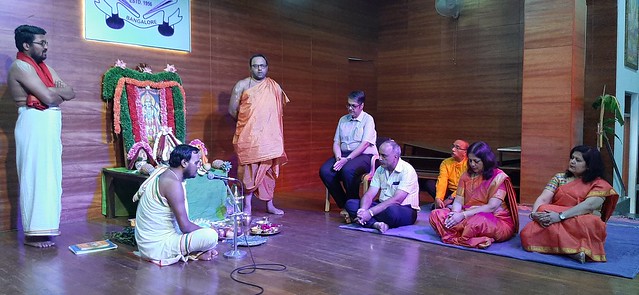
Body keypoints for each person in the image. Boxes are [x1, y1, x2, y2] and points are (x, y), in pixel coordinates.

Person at [7, 25, 75, 248]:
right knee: (34, 177)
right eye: (41, 43)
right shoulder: (20, 66)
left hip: (48, 126)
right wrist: (52, 92)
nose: (46, 46)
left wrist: (51, 93)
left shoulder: (45, 67)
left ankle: (44, 230)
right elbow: (49, 96)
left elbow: (70, 92)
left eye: (46, 42)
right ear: (26, 45)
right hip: (33, 123)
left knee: (50, 179)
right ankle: (32, 234)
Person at [520, 145, 618, 263]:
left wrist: (560, 216)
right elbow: (544, 199)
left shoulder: (600, 184)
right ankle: (574, 251)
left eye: (578, 160)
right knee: (532, 225)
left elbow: (589, 206)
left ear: (589, 165)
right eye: (572, 158)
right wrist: (534, 214)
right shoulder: (560, 178)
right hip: (554, 218)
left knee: (593, 221)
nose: (572, 162)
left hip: (579, 221)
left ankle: (569, 249)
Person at [134, 144, 218, 266]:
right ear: (184, 163)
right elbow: (185, 227)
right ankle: (194, 251)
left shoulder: (166, 173)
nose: (199, 165)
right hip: (157, 248)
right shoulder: (172, 184)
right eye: (196, 162)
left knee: (203, 226)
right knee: (211, 236)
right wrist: (208, 233)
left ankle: (196, 251)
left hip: (148, 244)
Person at [229, 54, 289, 215]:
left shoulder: (274, 86)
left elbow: (278, 111)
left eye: (262, 65)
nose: (259, 68)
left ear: (267, 67)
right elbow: (232, 110)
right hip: (249, 137)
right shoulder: (241, 85)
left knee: (268, 171)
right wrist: (249, 123)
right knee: (248, 171)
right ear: (250, 68)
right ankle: (247, 206)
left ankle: (270, 205)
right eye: (255, 66)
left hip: (269, 138)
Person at [429, 141, 519, 249]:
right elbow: (458, 200)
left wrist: (462, 216)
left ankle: (457, 237)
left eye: (476, 161)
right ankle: (470, 238)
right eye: (470, 160)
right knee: (436, 214)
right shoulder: (466, 176)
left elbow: (492, 207)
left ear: (486, 160)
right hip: (466, 214)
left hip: (494, 220)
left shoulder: (498, 177)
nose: (472, 164)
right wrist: (454, 214)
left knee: (477, 222)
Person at [319, 90, 377, 219]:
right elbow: (336, 142)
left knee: (348, 169)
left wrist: (347, 159)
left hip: (364, 155)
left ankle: (353, 201)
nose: (350, 108)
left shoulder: (368, 119)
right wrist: (339, 157)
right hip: (344, 154)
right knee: (325, 171)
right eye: (348, 105)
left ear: (362, 106)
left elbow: (365, 144)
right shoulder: (343, 120)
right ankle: (346, 204)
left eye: (353, 106)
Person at [344, 140, 420, 233]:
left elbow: (397, 200)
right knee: (351, 204)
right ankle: (375, 224)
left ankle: (368, 220)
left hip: (403, 209)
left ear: (395, 157)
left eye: (384, 156)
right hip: (381, 206)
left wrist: (370, 212)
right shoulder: (380, 169)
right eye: (379, 154)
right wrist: (363, 210)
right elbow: (369, 194)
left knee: (392, 212)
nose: (379, 158)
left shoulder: (407, 170)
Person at [425, 139, 469, 209]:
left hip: (461, 193)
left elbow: (467, 185)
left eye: (457, 148)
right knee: (430, 184)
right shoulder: (446, 162)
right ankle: (442, 204)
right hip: (448, 191)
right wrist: (439, 198)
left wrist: (450, 198)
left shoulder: (469, 164)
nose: (453, 149)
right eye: (453, 146)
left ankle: (447, 205)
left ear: (465, 152)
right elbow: (442, 180)